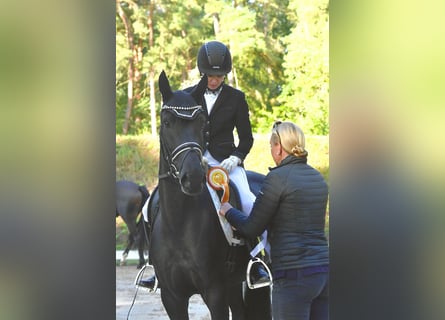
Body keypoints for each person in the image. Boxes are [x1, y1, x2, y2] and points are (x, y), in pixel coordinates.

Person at [137, 40, 269, 291]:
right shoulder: (186, 95)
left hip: (225, 164)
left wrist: (237, 157)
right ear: (202, 72)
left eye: (219, 76)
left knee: (250, 201)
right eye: (210, 75)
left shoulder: (236, 98)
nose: (215, 80)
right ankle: (155, 267)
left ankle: (255, 262)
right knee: (147, 208)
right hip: (192, 161)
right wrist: (195, 156)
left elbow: (247, 137)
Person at [219, 121, 329, 320]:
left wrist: (228, 211)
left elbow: (251, 227)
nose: (271, 149)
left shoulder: (277, 179)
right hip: (323, 274)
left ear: (279, 147)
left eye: (271, 145)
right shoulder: (318, 178)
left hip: (293, 275)